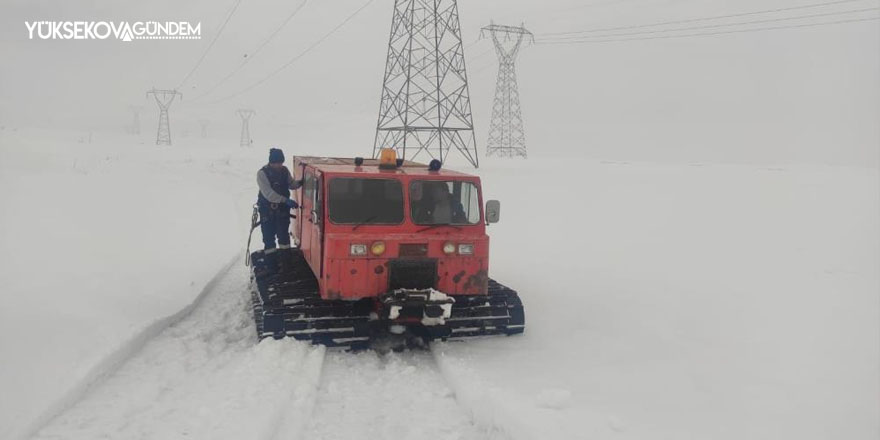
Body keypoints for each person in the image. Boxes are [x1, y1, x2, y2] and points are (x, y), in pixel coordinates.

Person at [257, 148, 302, 252]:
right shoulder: (262, 174)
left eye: (281, 163)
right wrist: (285, 200)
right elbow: (269, 194)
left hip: (282, 211)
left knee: (284, 239)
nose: (279, 165)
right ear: (271, 162)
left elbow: (290, 184)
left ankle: (286, 263)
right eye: (277, 163)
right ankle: (272, 266)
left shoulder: (284, 171)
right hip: (267, 212)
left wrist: (300, 183)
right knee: (269, 240)